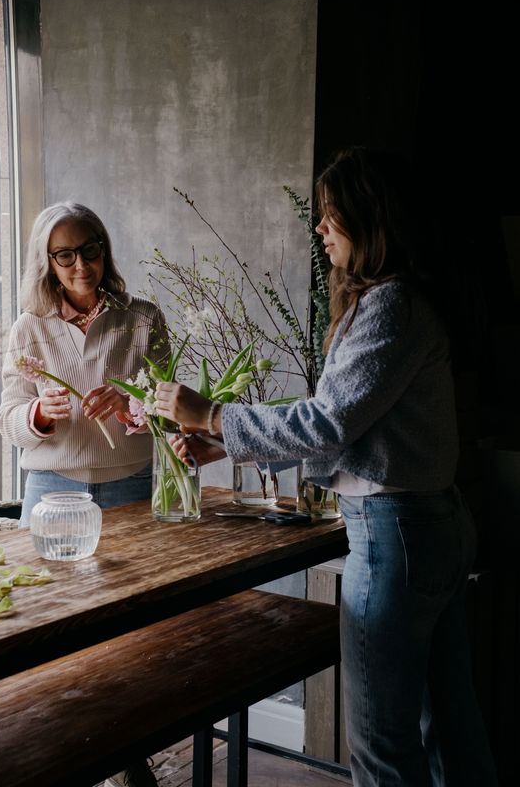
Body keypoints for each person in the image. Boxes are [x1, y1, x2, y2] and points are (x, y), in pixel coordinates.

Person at [152, 147, 499, 786]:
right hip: (432, 526)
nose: (318, 229)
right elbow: (344, 424)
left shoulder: (389, 307)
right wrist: (227, 442)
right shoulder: (406, 303)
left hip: (395, 536)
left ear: (370, 221)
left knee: (384, 747)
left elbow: (328, 423)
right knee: (451, 728)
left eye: (329, 215)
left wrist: (214, 417)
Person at [0, 201, 168, 787]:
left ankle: (128, 752)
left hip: (129, 485)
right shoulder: (28, 328)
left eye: (89, 249)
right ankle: (64, 748)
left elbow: (169, 412)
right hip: (53, 490)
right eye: (64, 255)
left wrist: (132, 406)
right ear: (47, 262)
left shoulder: (142, 318)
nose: (80, 265)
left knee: (130, 628)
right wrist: (39, 413)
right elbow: (7, 420)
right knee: (53, 626)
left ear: (105, 248)